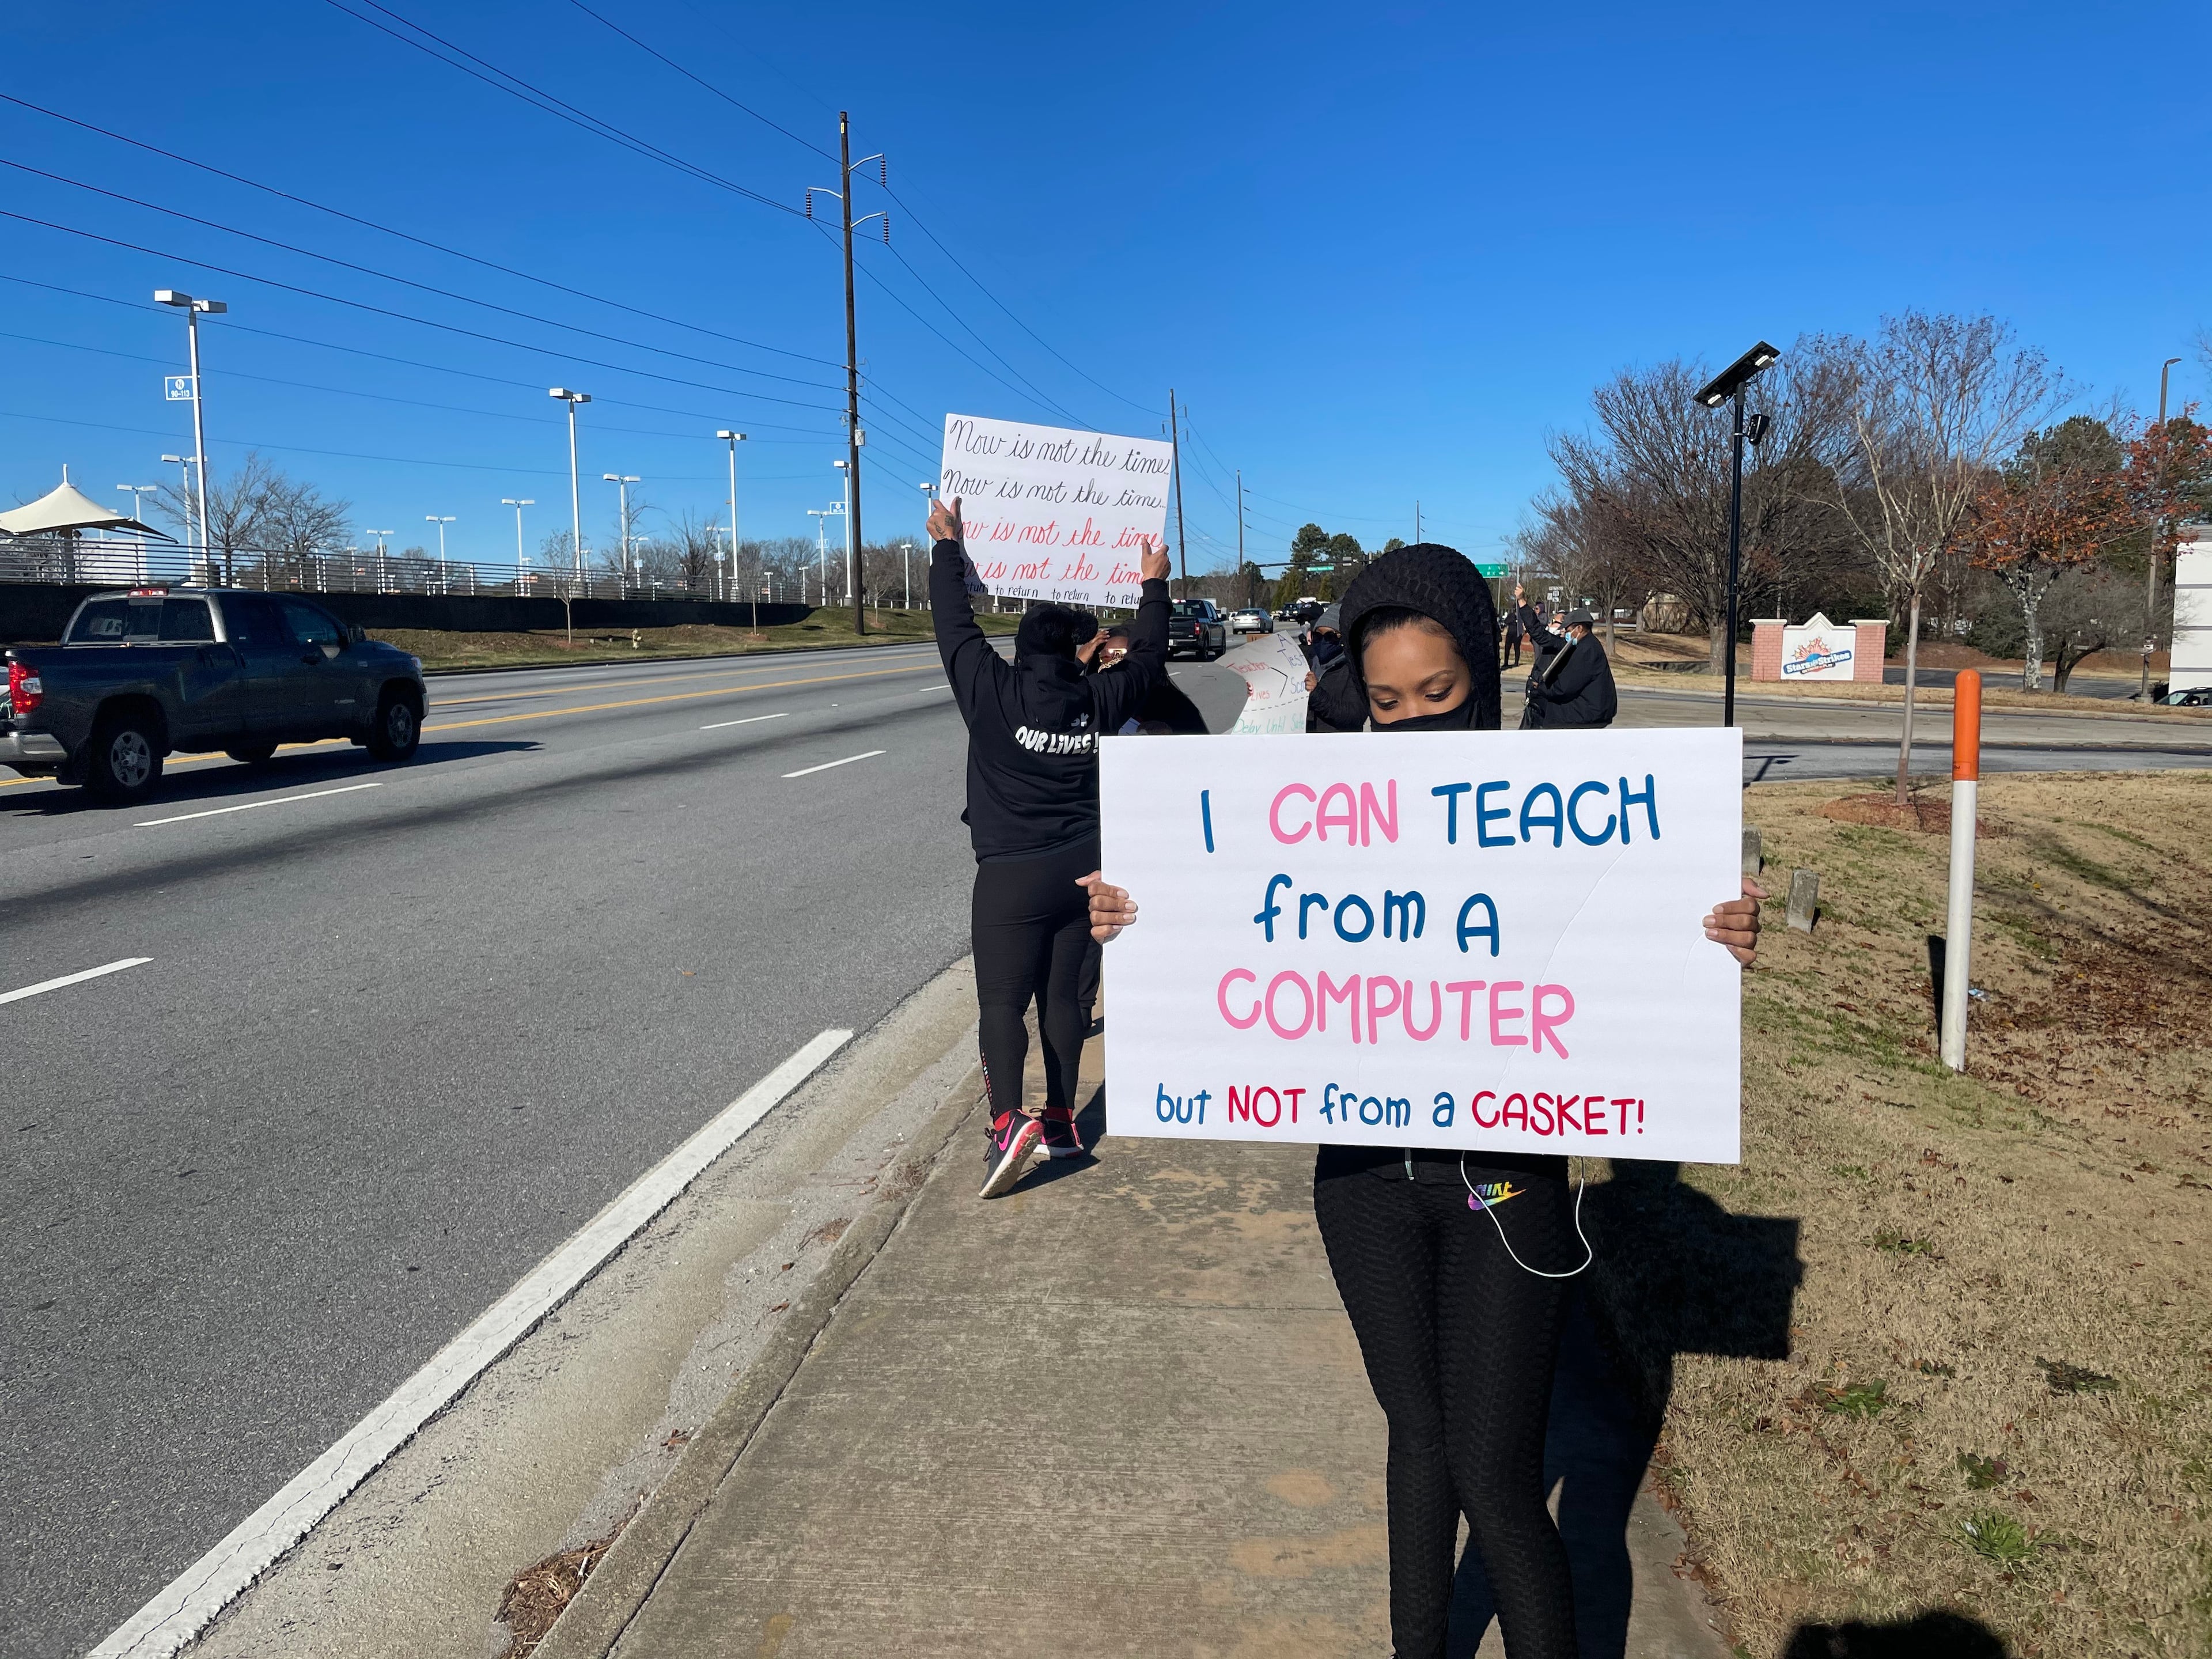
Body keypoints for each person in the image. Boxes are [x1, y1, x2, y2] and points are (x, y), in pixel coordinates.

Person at [1083, 544, 1763, 1659]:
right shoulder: (1322, 816)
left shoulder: (1547, 808)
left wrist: (1716, 930)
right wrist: (1137, 919)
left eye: (1438, 697)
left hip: (1503, 1184)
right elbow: (1225, 916)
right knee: (1416, 1437)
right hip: (1359, 1186)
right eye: (1388, 702)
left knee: (1497, 1479)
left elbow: (1642, 923)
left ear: (1481, 687)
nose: (1410, 723)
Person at [928, 494, 1175, 1197]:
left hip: (1009, 876)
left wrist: (949, 545)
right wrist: (1152, 583)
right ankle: (1063, 1122)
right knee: (1063, 1000)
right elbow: (1151, 656)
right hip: (1080, 873)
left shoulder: (993, 691)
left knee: (1002, 1004)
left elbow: (953, 625)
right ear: (1074, 652)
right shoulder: (1099, 700)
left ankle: (1010, 1122)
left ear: (1020, 649)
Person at [1514, 588, 1618, 730]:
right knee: (1544, 707)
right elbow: (1538, 633)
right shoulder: (1577, 645)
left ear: (1579, 629)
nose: (1564, 633)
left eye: (1568, 630)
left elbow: (1565, 687)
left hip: (1590, 711)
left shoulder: (1586, 650)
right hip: (1589, 706)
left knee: (1551, 714)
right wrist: (1522, 602)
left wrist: (1541, 689)